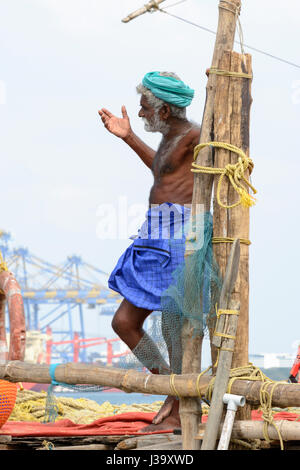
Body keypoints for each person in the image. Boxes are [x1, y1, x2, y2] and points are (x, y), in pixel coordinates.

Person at [98, 71, 200, 431]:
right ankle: (174, 394)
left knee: (175, 325)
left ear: (166, 110)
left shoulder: (197, 135)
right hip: (154, 233)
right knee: (124, 322)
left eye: (145, 107)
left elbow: (223, 172)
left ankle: (177, 407)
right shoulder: (173, 137)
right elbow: (163, 173)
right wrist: (128, 137)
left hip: (181, 236)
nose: (141, 114)